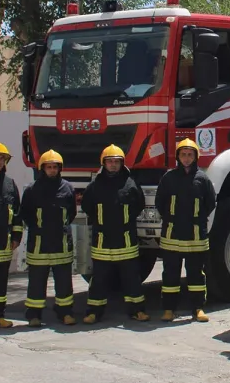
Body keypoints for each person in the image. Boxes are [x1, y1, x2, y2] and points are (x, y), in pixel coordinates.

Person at [80, 145, 149, 324]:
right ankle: (94, 312)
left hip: (126, 240)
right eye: (109, 162)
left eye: (116, 162)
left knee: (132, 279)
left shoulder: (130, 184)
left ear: (121, 164)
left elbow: (139, 204)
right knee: (99, 280)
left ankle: (137, 311)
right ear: (104, 163)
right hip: (102, 241)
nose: (113, 165)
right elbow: (87, 206)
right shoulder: (95, 186)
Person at [156, 138, 216, 323]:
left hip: (196, 236)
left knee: (196, 274)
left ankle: (198, 308)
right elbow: (160, 203)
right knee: (170, 273)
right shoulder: (169, 178)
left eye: (190, 155)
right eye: (183, 154)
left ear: (196, 157)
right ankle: (169, 309)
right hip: (172, 234)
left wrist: (196, 220)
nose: (187, 158)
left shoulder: (203, 179)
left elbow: (210, 203)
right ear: (178, 157)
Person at [21, 149, 77, 327]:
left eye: (55, 167)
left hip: (61, 243)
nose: (52, 170)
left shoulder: (68, 188)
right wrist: (38, 229)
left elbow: (71, 213)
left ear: (60, 169)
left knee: (64, 281)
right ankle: (34, 315)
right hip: (39, 244)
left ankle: (65, 312)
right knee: (37, 281)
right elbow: (26, 214)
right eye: (49, 167)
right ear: (42, 168)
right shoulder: (32, 190)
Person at [0, 143, 22, 328]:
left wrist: (16, 237)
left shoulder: (9, 184)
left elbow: (17, 214)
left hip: (3, 244)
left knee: (1, 283)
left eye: (2, 158)